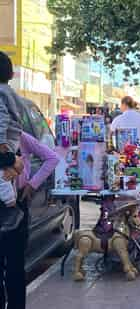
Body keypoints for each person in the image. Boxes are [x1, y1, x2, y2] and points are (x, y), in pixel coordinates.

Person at [0, 132, 59, 309]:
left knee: (15, 267)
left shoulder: (19, 136)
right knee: (15, 267)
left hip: (16, 207)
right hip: (14, 205)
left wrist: (32, 184)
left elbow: (52, 158)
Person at [0, 51, 23, 208]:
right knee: (5, 172)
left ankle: (8, 198)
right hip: (13, 138)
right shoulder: (10, 93)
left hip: (6, 139)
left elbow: (1, 118)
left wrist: (0, 142)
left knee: (2, 176)